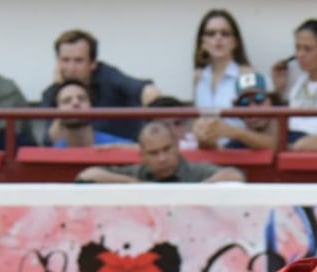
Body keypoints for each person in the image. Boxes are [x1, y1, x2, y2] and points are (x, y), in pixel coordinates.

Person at [39, 29, 162, 142]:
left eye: (78, 61)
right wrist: (61, 92)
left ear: (93, 63)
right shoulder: (51, 93)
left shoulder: (108, 76)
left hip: (120, 157)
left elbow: (150, 92)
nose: (71, 68)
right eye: (65, 60)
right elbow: (51, 141)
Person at [75, 120, 244, 182]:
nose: (162, 158)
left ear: (177, 147)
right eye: (154, 153)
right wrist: (133, 185)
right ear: (142, 155)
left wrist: (196, 193)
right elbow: (86, 176)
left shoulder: (195, 171)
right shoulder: (136, 173)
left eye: (166, 149)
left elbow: (235, 176)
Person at [192, 9, 252, 139]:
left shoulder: (246, 76)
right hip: (206, 152)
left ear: (235, 42)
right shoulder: (199, 77)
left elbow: (258, 126)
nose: (218, 38)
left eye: (225, 34)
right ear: (202, 41)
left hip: (237, 152)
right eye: (211, 33)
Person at [193, 71, 281, 152]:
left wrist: (234, 132)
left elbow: (275, 144)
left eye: (258, 99)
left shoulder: (292, 129)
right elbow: (218, 153)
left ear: (272, 101)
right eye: (244, 103)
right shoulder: (240, 141)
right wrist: (204, 136)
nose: (252, 109)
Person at [45, 80, 133, 147]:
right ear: (56, 112)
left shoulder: (119, 146)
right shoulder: (54, 152)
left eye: (82, 98)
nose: (76, 103)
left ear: (92, 106)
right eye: (67, 101)